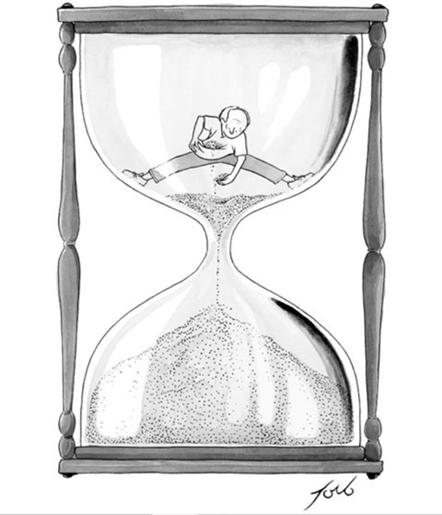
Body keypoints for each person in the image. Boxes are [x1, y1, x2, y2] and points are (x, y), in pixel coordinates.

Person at [123, 106, 312, 188]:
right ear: (222, 120)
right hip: (202, 152)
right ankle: (144, 178)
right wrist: (194, 139)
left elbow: (242, 159)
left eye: (240, 128)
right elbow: (200, 120)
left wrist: (232, 177)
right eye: (232, 126)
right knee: (176, 164)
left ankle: (290, 180)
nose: (235, 131)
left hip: (227, 155)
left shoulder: (239, 138)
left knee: (258, 165)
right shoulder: (213, 123)